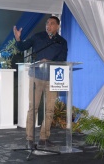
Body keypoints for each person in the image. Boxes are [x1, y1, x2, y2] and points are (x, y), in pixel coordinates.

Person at [13, 16, 68, 149]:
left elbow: (62, 59)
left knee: (49, 110)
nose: (48, 25)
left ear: (58, 26)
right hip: (36, 76)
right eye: (47, 23)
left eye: (52, 23)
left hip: (52, 79)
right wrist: (18, 39)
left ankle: (44, 138)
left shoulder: (62, 42)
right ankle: (30, 139)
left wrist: (49, 62)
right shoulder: (38, 37)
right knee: (33, 108)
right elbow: (22, 47)